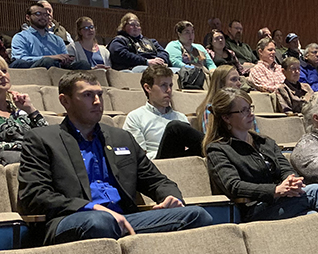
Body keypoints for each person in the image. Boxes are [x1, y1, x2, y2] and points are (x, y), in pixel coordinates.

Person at [18, 71, 212, 244]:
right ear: (65, 101)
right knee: (100, 222)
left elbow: (156, 180)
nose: (97, 101)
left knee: (197, 215)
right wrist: (91, 207)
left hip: (123, 218)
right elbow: (34, 196)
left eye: (99, 95)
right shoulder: (43, 139)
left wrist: (170, 196)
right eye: (87, 95)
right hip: (73, 218)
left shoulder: (121, 138)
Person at [204, 88, 318, 221]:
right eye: (243, 110)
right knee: (316, 191)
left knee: (313, 216)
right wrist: (275, 190)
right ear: (226, 117)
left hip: (282, 201)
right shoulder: (218, 149)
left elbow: (286, 169)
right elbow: (234, 186)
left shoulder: (265, 142)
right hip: (253, 209)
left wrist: (291, 182)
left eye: (250, 108)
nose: (250, 114)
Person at [123, 64, 202, 159]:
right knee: (175, 127)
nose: (169, 90)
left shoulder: (180, 116)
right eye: (163, 85)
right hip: (157, 164)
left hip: (183, 163)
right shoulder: (135, 117)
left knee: (205, 148)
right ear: (148, 88)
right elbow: (139, 156)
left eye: (170, 85)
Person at [11, 4, 88, 70]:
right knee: (47, 61)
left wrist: (66, 59)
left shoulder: (57, 39)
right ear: (28, 17)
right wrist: (52, 57)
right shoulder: (20, 37)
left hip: (58, 69)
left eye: (46, 15)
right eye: (38, 14)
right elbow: (19, 59)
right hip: (34, 69)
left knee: (83, 64)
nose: (43, 17)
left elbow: (64, 58)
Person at [166, 20, 215, 85]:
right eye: (187, 32)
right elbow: (176, 63)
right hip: (186, 78)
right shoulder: (173, 45)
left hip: (205, 76)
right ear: (179, 34)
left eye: (192, 32)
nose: (191, 35)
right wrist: (194, 69)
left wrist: (214, 71)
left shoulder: (199, 47)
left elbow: (210, 64)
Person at [197, 65, 243, 133]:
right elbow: (210, 138)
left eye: (239, 79)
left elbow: (256, 134)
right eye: (234, 79)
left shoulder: (244, 107)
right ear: (221, 83)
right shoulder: (210, 109)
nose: (239, 83)